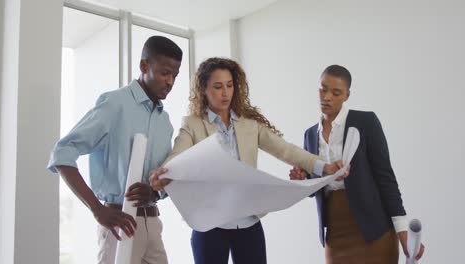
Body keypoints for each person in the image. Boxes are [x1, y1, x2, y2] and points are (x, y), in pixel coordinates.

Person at [149, 57, 347, 264]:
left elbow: (285, 150)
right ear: (204, 89)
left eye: (229, 85)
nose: (225, 93)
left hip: (248, 222)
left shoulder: (249, 124)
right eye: (217, 87)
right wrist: (162, 174)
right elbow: (178, 155)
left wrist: (325, 166)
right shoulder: (193, 124)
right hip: (210, 225)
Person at [47, 35, 183, 264]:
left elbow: (164, 179)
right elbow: (62, 153)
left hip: (153, 225)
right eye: (164, 72)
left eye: (175, 76)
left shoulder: (165, 121)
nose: (170, 81)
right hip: (119, 224)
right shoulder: (114, 104)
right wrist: (98, 210)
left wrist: (155, 192)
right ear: (144, 66)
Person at [289, 65, 425, 263]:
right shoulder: (310, 134)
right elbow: (315, 187)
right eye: (323, 89)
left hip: (375, 231)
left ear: (347, 95)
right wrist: (302, 180)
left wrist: (402, 230)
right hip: (335, 232)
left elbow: (385, 177)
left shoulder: (365, 122)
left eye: (336, 92)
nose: (327, 97)